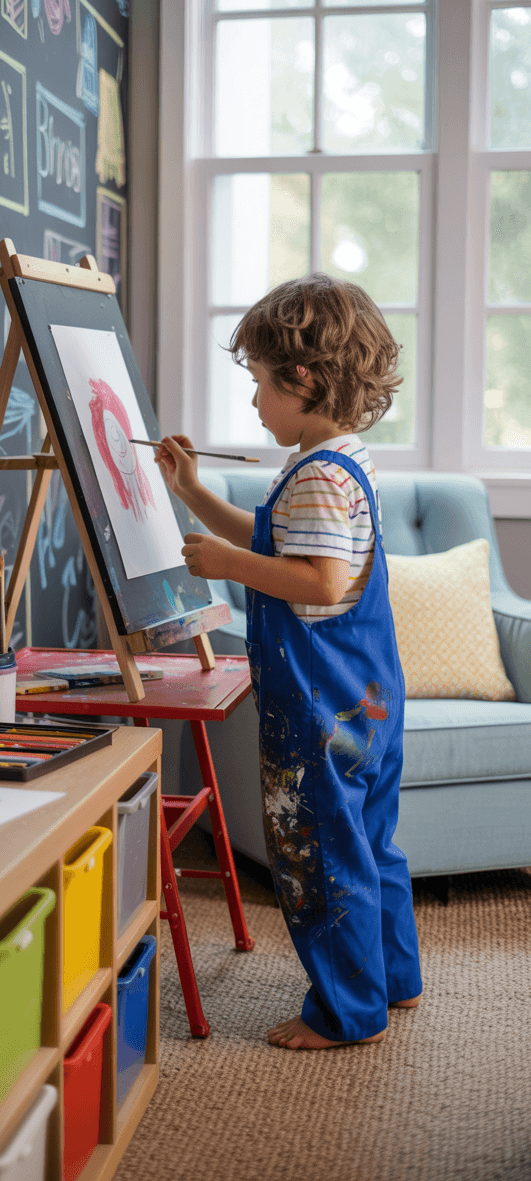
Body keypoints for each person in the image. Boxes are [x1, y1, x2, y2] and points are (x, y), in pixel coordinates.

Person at [155, 272, 422, 1050]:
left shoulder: (313, 478)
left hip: (319, 711)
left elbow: (319, 579)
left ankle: (346, 1013)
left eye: (262, 386)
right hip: (366, 700)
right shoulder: (343, 462)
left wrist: (226, 566)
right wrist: (194, 494)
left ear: (302, 380)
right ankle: (392, 981)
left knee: (321, 856)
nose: (254, 404)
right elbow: (282, 543)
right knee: (370, 842)